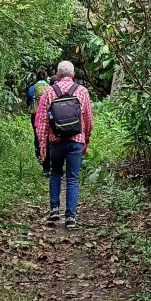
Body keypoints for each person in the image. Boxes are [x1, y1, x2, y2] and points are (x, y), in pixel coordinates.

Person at [35, 60, 93, 230]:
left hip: (56, 141)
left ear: (58, 76)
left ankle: (54, 209)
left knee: (55, 174)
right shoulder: (82, 91)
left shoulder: (50, 91)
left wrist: (43, 145)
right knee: (72, 178)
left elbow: (44, 121)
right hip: (76, 141)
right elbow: (88, 119)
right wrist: (86, 139)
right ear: (73, 75)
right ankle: (70, 217)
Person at [27, 73, 51, 174]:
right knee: (49, 136)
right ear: (45, 78)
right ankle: (49, 158)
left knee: (37, 135)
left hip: (36, 114)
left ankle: (39, 154)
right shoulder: (49, 87)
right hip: (47, 114)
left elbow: (28, 100)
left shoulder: (33, 87)